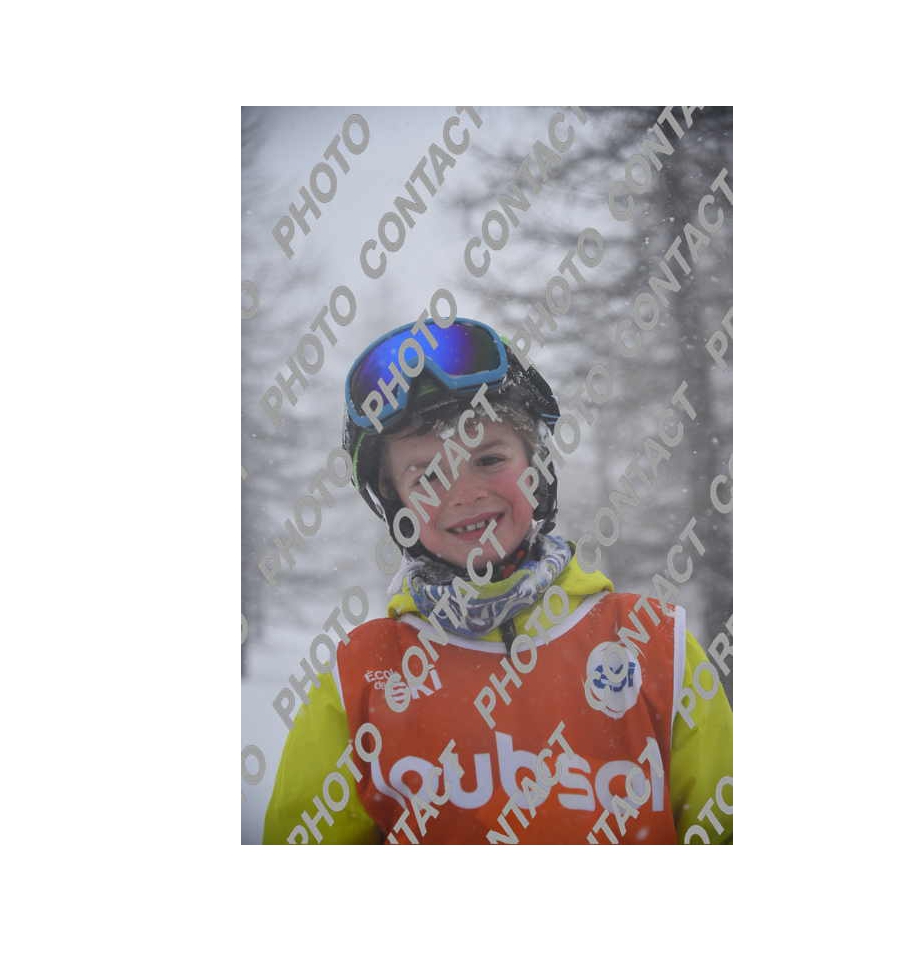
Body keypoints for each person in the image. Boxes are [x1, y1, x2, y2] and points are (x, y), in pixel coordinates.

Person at [263, 317, 732, 844]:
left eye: (488, 459)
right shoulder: (361, 678)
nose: (464, 493)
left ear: (537, 466)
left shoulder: (654, 646)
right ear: (396, 503)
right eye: (427, 476)